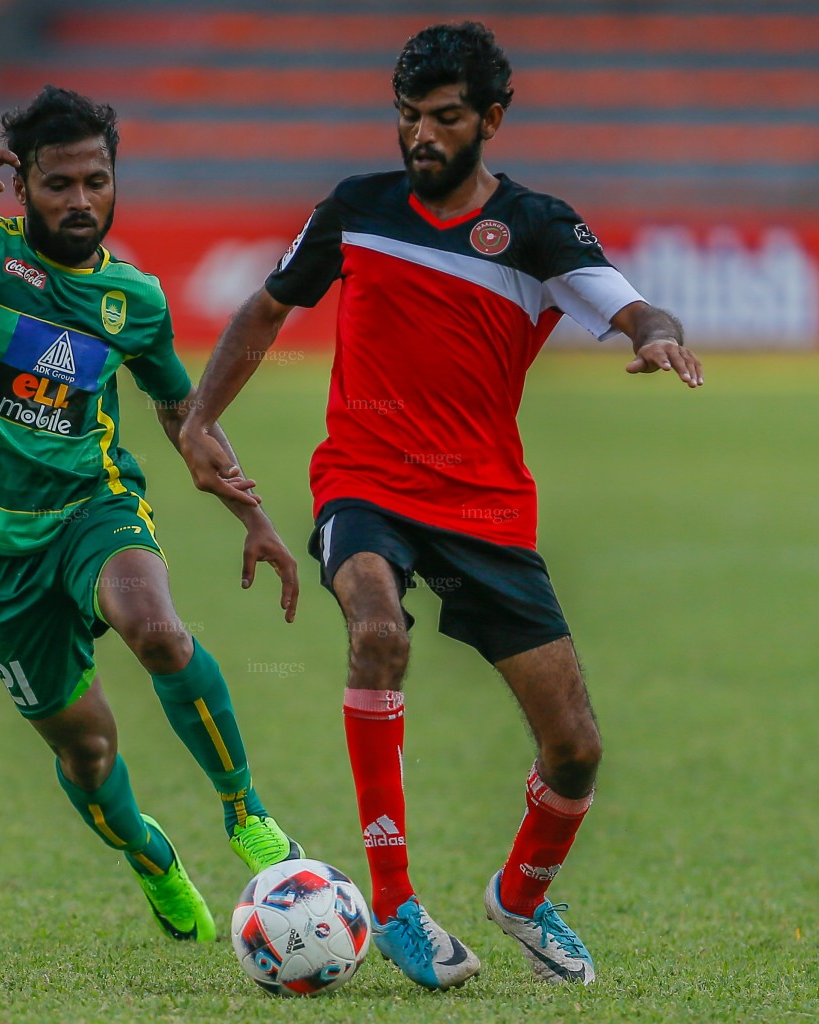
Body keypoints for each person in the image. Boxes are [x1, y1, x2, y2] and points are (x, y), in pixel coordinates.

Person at [178, 22, 703, 989]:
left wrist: (659, 337)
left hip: (485, 510)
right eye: (408, 117)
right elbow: (265, 309)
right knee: (378, 629)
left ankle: (522, 897)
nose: (421, 136)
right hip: (365, 483)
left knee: (577, 749)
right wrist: (199, 419)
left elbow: (636, 307)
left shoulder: (539, 226)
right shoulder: (355, 208)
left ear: (491, 120)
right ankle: (395, 904)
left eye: (445, 118)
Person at [0, 86, 305, 944]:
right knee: (84, 753)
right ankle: (152, 858)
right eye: (58, 184)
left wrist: (248, 509)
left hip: (93, 505)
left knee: (157, 631)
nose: (80, 201)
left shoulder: (135, 299)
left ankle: (245, 811)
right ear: (23, 189)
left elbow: (181, 409)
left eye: (96, 181)